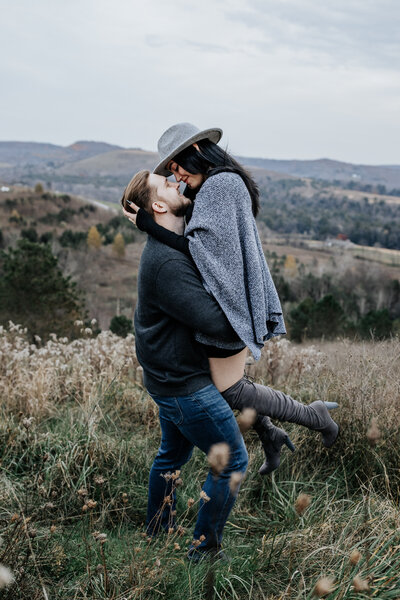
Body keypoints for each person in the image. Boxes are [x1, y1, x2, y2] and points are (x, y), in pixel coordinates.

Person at [123, 123, 340, 475]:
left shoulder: (220, 186)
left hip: (230, 310)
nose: (176, 176)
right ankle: (272, 432)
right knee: (222, 390)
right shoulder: (214, 185)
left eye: (175, 166)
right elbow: (202, 250)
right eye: (169, 174)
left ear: (194, 152)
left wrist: (150, 226)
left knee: (230, 391)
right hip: (228, 304)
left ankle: (312, 416)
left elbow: (199, 253)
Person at [124, 170, 248, 561]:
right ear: (159, 205)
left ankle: (158, 530)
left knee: (171, 457)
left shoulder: (171, 245)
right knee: (233, 461)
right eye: (167, 184)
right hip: (183, 384)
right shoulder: (165, 264)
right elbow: (216, 321)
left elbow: (184, 243)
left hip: (167, 377)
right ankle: (204, 551)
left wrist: (147, 221)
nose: (177, 182)